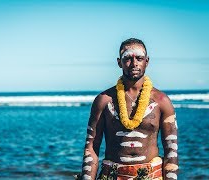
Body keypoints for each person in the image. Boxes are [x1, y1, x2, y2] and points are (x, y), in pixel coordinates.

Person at [75, 38, 179, 180]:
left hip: (151, 176)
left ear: (147, 61)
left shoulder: (161, 101)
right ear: (119, 62)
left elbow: (171, 153)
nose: (134, 63)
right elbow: (91, 148)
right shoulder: (104, 100)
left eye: (139, 58)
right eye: (128, 58)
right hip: (112, 175)